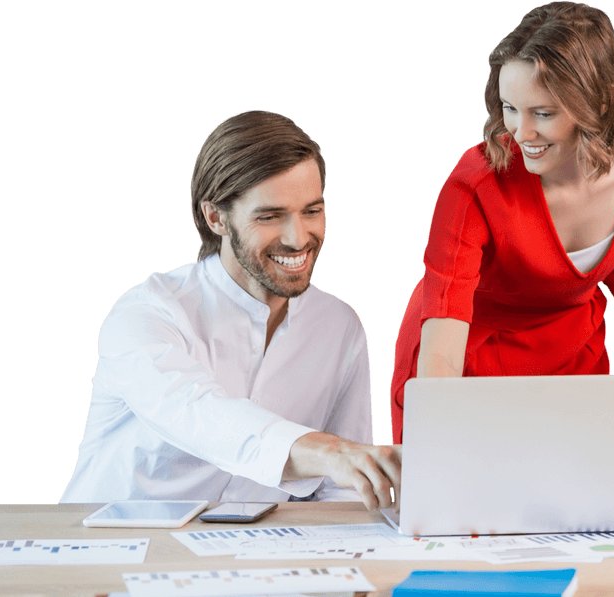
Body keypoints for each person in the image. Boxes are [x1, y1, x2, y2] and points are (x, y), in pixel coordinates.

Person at [61, 111, 400, 510]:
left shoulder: (340, 326)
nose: (298, 238)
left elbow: (342, 487)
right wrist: (328, 452)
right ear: (216, 217)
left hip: (249, 554)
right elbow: (199, 416)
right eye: (270, 216)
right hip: (109, 547)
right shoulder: (147, 312)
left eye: (312, 211)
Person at [390, 1, 614, 442]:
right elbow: (445, 331)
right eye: (510, 107)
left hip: (573, 358)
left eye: (543, 113)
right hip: (469, 362)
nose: (519, 132)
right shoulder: (475, 185)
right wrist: (439, 434)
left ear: (600, 104)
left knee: (585, 502)